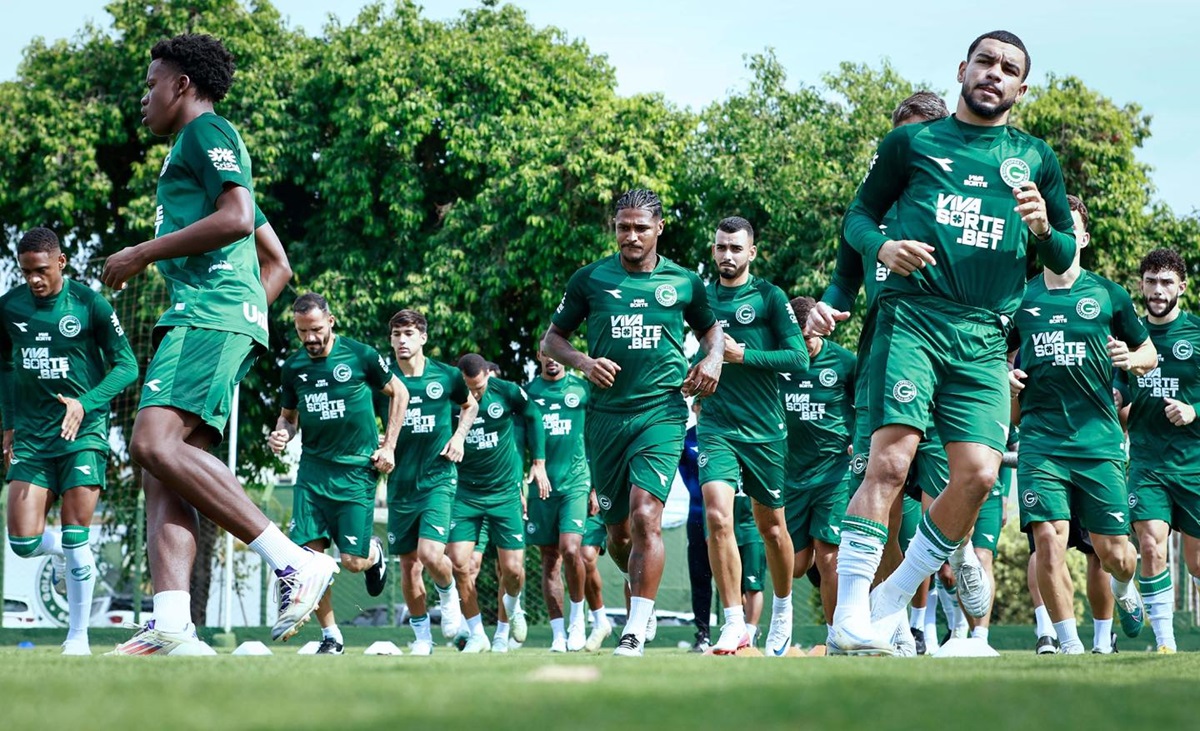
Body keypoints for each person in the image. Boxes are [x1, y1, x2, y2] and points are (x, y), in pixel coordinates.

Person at [818, 31, 1082, 654]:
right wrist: (880, 248)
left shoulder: (1036, 158)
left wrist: (1044, 228)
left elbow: (1065, 256)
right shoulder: (912, 142)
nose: (994, 73)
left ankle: (889, 599)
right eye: (985, 61)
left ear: (1023, 87)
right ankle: (850, 617)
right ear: (963, 69)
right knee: (890, 461)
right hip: (913, 317)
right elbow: (857, 215)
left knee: (980, 475)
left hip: (986, 333)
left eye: (1009, 68)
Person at [102, 34, 338, 654]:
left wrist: (142, 254)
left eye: (152, 83)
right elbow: (277, 260)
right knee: (164, 472)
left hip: (205, 317)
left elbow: (236, 218)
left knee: (149, 443)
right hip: (217, 315)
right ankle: (174, 625)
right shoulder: (197, 149)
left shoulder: (207, 134)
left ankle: (293, 561)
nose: (144, 96)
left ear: (182, 85)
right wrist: (250, 313)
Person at [542, 188, 724, 656]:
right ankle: (635, 576)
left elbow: (710, 330)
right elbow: (551, 340)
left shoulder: (684, 282)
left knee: (648, 515)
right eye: (624, 226)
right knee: (620, 536)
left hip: (661, 413)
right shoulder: (590, 280)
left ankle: (634, 629)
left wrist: (714, 359)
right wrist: (583, 362)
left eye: (641, 227)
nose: (631, 235)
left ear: (659, 228)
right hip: (605, 420)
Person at [809, 91, 951, 655]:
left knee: (959, 488)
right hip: (885, 361)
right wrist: (824, 306)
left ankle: (954, 556)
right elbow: (844, 280)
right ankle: (882, 621)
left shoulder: (962, 207)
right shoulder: (868, 217)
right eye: (899, 141)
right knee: (883, 498)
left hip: (954, 365)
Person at [1010, 194, 1155, 654]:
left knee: (1116, 556)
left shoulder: (1108, 295)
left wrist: (1131, 359)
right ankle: (1070, 646)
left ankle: (1125, 588)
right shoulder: (1020, 296)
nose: (1061, 235)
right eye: (1054, 226)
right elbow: (990, 352)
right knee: (1048, 541)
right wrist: (1003, 375)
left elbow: (1150, 354)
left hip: (1099, 442)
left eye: (1070, 228)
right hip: (1040, 440)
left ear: (1084, 238)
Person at [1, 227, 138, 655]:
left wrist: (85, 402)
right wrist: (7, 426)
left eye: (41, 270)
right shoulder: (9, 308)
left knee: (77, 533)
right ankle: (66, 553)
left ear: (60, 262)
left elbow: (127, 365)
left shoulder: (89, 303)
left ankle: (77, 638)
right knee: (22, 543)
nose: (34, 280)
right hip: (32, 439)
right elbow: (5, 368)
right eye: (26, 273)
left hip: (84, 434)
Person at [267, 293, 407, 654]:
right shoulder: (293, 367)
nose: (310, 338)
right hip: (312, 473)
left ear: (331, 321)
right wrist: (282, 431)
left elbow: (400, 392)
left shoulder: (360, 355)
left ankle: (373, 554)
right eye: (302, 332)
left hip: (357, 471)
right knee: (308, 564)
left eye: (315, 329)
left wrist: (388, 446)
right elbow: (289, 416)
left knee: (352, 562)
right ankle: (331, 636)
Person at [695, 216, 805, 656]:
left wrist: (743, 355)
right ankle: (734, 622)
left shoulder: (770, 297)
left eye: (736, 248)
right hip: (716, 423)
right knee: (717, 516)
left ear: (751, 252)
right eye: (721, 247)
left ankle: (782, 610)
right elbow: (697, 351)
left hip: (764, 428)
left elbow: (799, 358)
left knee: (772, 528)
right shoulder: (700, 298)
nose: (727, 255)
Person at [1120, 248, 1200, 653]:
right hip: (1148, 463)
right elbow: (1115, 390)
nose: (1157, 289)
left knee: (1196, 562)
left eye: (1166, 282)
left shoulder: (1197, 335)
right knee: (1150, 544)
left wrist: (1194, 409)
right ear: (1141, 285)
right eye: (1151, 281)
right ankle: (1165, 644)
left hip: (1194, 464)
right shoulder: (1128, 337)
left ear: (1181, 288)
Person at [382, 309, 474, 655]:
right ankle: (422, 639)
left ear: (423, 337)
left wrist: (460, 437)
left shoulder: (447, 376)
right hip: (399, 482)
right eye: (396, 334)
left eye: (408, 333)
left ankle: (449, 596)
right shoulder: (384, 378)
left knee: (430, 553)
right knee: (408, 566)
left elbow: (470, 406)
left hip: (438, 478)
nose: (402, 341)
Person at [448, 353, 549, 653]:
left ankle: (506, 627)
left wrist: (539, 462)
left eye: (479, 387)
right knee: (459, 563)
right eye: (470, 388)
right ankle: (477, 633)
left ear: (487, 378)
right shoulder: (450, 397)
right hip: (466, 494)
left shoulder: (506, 391)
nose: (475, 394)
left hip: (505, 493)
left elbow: (534, 416)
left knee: (513, 571)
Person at [781, 296, 855, 642]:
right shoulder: (779, 361)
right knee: (794, 567)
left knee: (830, 559)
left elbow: (865, 402)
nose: (802, 345)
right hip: (790, 475)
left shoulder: (843, 362)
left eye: (807, 338)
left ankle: (835, 636)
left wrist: (860, 436)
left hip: (833, 473)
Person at [525, 349, 592, 652]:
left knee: (571, 548)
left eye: (556, 354)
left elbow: (595, 436)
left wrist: (595, 487)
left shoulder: (581, 388)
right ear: (539, 355)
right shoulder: (527, 394)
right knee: (549, 560)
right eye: (546, 354)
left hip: (576, 483)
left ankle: (578, 621)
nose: (552, 359)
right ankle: (558, 634)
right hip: (541, 488)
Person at [678, 408, 713, 652]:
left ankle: (743, 629)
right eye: (700, 403)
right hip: (697, 516)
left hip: (729, 518)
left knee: (740, 578)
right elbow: (682, 473)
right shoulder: (687, 438)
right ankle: (703, 634)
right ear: (695, 407)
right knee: (700, 576)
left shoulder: (727, 433)